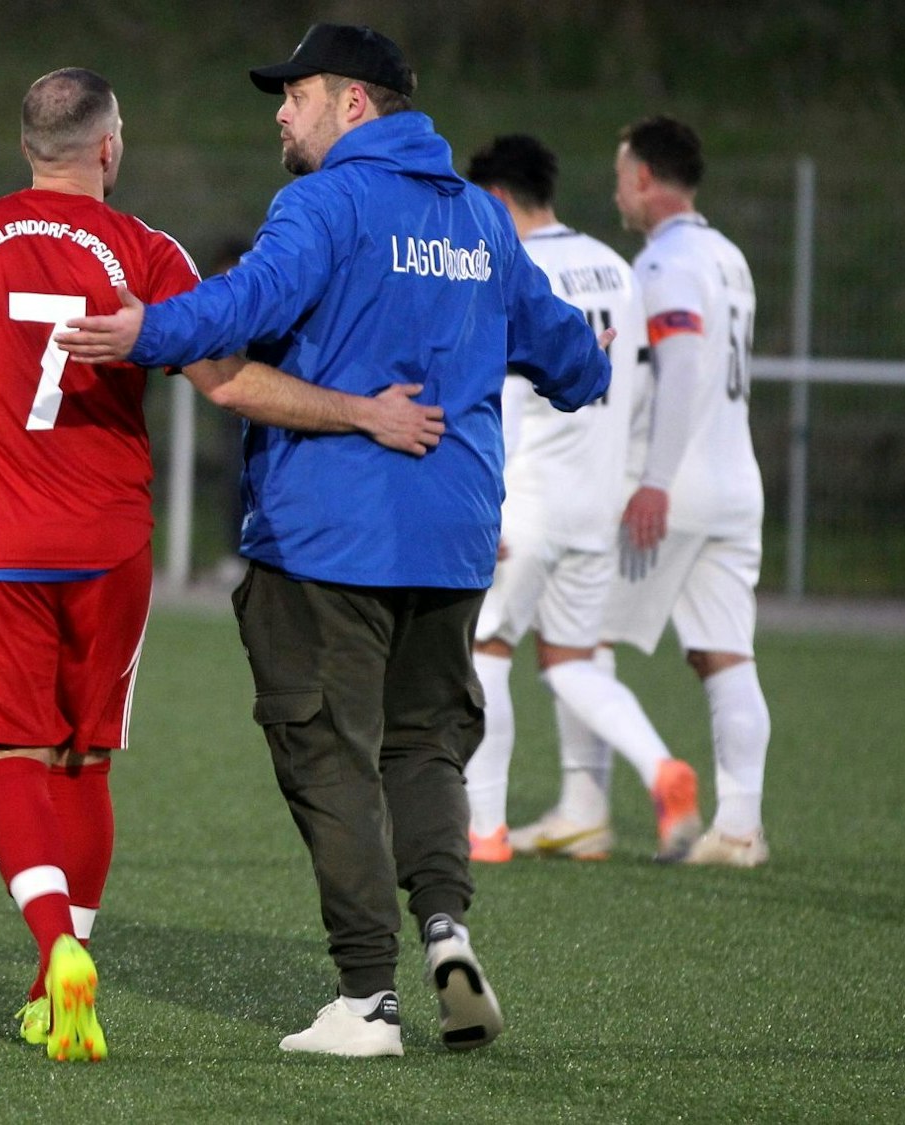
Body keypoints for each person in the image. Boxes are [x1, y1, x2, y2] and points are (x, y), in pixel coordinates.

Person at [59, 26, 611, 1057]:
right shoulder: (481, 224)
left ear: (352, 104)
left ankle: (365, 999)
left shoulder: (323, 202)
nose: (279, 110)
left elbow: (244, 305)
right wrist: (577, 363)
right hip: (451, 535)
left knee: (325, 754)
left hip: (328, 536)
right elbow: (574, 365)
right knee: (425, 743)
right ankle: (444, 928)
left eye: (295, 92)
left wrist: (146, 331)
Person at [0, 67, 444, 1064]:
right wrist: (361, 411)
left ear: (27, 147)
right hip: (108, 548)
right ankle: (60, 977)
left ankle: (55, 953)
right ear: (107, 147)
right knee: (84, 761)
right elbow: (226, 383)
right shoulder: (144, 249)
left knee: (10, 756)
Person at [456, 134, 702, 865]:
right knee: (572, 661)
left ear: (497, 200)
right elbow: (640, 382)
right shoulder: (615, 267)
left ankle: (487, 829)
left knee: (485, 651)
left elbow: (500, 393)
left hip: (526, 496)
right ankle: (662, 767)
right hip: (596, 500)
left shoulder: (509, 264)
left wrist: (485, 502)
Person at [589, 115, 774, 868]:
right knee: (726, 655)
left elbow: (686, 360)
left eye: (619, 174)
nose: (617, 192)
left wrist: (655, 480)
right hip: (737, 481)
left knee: (575, 641)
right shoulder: (728, 255)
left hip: (679, 486)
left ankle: (585, 809)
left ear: (641, 178)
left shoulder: (664, 263)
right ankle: (739, 827)